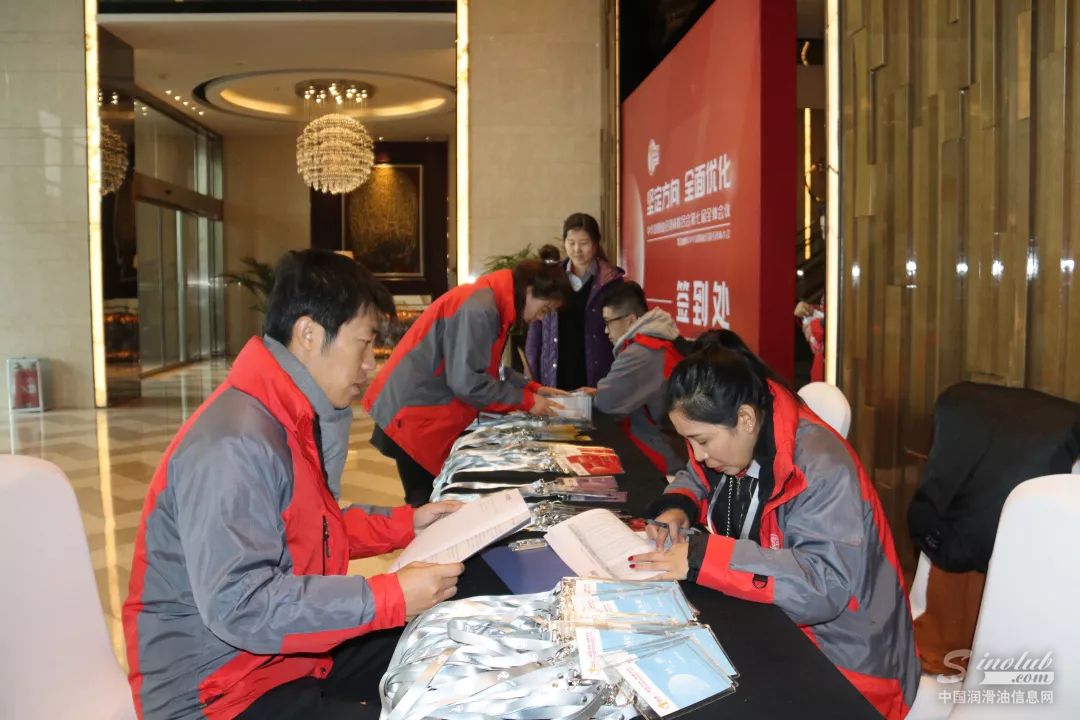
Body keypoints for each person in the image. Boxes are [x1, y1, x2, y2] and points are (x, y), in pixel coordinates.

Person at [123, 250, 467, 720]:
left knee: (439, 640)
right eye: (364, 343)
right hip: (218, 694)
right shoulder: (235, 442)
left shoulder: (284, 412)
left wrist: (409, 525)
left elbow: (311, 528)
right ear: (309, 334)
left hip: (277, 658)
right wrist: (390, 597)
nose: (370, 363)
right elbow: (242, 606)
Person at [633, 330, 919, 719]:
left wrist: (703, 556)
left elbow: (823, 586)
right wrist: (677, 506)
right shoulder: (743, 432)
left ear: (745, 419)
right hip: (777, 626)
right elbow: (696, 475)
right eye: (690, 442)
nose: (698, 455)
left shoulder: (822, 468)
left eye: (702, 441)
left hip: (848, 663)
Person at [363, 260, 571, 506]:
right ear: (529, 290)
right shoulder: (480, 308)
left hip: (422, 413)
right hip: (414, 416)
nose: (540, 317)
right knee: (426, 508)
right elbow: (468, 383)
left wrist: (531, 388)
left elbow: (488, 367)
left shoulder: (491, 302)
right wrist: (526, 400)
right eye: (544, 309)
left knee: (430, 504)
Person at [578, 281, 689, 474]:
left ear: (630, 320)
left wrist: (587, 398)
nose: (606, 331)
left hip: (660, 459)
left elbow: (606, 403)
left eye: (608, 322)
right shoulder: (659, 340)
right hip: (667, 448)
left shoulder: (643, 352)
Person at [525, 212, 624, 390]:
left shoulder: (610, 281)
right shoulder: (551, 278)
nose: (577, 250)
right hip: (554, 371)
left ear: (595, 243)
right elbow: (536, 330)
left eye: (584, 243)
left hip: (597, 372)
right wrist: (531, 376)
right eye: (571, 243)